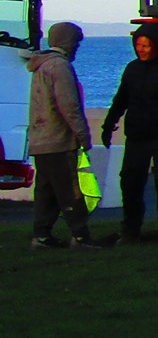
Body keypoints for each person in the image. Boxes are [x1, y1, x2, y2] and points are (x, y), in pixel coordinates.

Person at [102, 26, 158, 244]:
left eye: (146, 45)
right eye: (138, 45)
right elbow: (120, 100)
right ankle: (130, 230)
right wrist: (108, 125)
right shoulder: (132, 69)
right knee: (130, 183)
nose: (141, 50)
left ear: (157, 46)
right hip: (136, 137)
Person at [25, 21, 103, 249]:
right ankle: (80, 237)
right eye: (76, 42)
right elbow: (69, 106)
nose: (77, 47)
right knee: (70, 190)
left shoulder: (41, 65)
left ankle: (42, 235)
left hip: (41, 140)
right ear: (68, 42)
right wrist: (83, 135)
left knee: (46, 191)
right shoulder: (59, 67)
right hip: (59, 141)